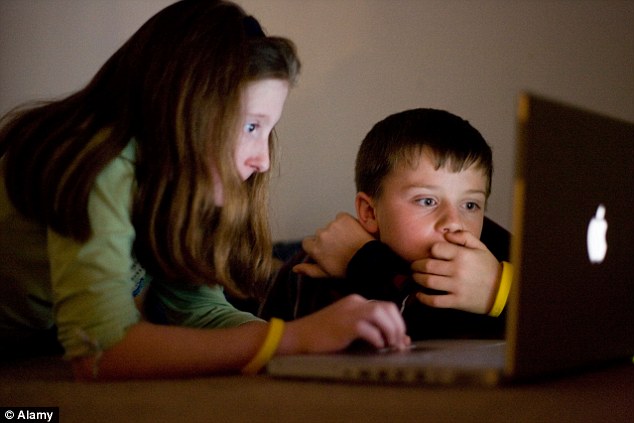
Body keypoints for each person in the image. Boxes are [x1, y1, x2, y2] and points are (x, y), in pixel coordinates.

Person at [0, 0, 409, 380]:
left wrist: (306, 342)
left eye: (268, 131)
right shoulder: (97, 162)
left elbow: (199, 310)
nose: (263, 160)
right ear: (185, 108)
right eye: (251, 126)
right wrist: (295, 339)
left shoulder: (179, 182)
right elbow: (101, 351)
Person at [260, 108, 512, 340]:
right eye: (426, 201)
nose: (454, 222)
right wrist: (365, 261)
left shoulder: (506, 259)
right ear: (370, 212)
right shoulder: (314, 268)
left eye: (470, 205)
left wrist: (498, 291)